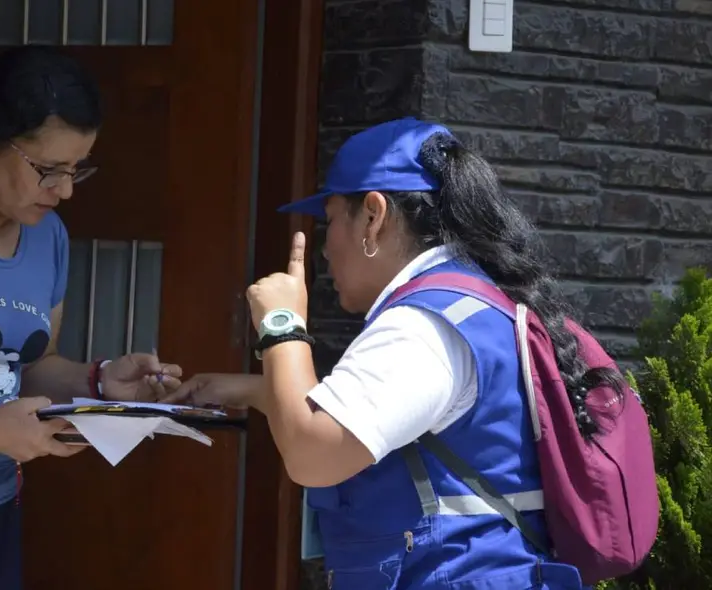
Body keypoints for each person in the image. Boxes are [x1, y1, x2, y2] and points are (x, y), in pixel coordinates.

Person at [166, 117, 592, 588]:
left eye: (329, 221)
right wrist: (248, 390)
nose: (325, 249)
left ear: (373, 214)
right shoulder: (468, 303)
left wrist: (280, 324)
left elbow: (313, 454)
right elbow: (391, 424)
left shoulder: (423, 326)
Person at [0, 46, 182, 590]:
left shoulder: (49, 237)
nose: (64, 191)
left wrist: (98, 379)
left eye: (76, 171)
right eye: (48, 170)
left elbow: (34, 363)